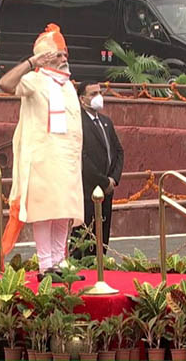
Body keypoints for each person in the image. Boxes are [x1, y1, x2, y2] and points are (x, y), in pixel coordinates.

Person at [0, 24, 84, 280]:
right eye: (59, 54)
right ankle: (46, 265)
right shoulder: (34, 80)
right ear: (45, 57)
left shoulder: (68, 85)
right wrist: (31, 62)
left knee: (63, 214)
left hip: (67, 163)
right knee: (44, 213)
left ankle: (60, 262)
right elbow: (5, 84)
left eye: (65, 53)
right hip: (42, 163)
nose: (64, 58)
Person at [71, 81, 124, 259]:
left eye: (99, 93)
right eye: (93, 94)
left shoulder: (106, 122)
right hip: (88, 190)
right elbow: (82, 157)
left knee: (103, 235)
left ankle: (100, 265)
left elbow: (118, 151)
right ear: (82, 99)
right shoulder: (78, 123)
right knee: (84, 237)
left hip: (107, 190)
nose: (98, 97)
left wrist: (113, 179)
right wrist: (102, 181)